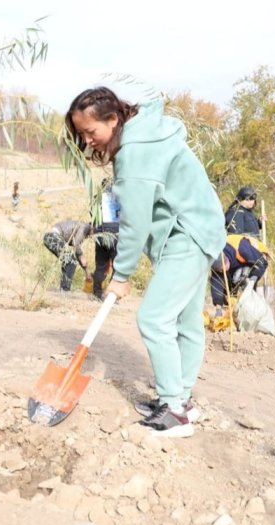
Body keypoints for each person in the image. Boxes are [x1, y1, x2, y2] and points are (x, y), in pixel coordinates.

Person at [66, 87, 225, 437]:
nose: (87, 140)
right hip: (198, 227)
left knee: (153, 318)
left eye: (91, 132)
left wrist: (120, 275)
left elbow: (135, 223)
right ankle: (180, 399)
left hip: (188, 233)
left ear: (113, 119)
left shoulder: (135, 153)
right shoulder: (145, 133)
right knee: (186, 321)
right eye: (81, 134)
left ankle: (174, 412)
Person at [209, 235, 269, 316]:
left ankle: (251, 309)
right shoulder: (216, 260)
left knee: (241, 276)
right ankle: (234, 310)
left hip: (253, 255)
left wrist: (253, 278)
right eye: (219, 270)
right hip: (235, 263)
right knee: (229, 287)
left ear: (226, 261)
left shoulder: (243, 250)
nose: (220, 271)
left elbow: (263, 263)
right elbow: (216, 284)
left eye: (221, 269)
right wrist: (218, 308)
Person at [43, 220, 93, 291]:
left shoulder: (83, 228)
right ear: (93, 227)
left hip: (51, 237)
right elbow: (76, 245)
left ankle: (64, 289)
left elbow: (76, 252)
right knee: (70, 260)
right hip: (52, 237)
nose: (92, 236)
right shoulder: (84, 227)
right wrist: (82, 256)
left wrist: (87, 271)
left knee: (69, 260)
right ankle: (65, 290)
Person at [92, 177, 120, 300]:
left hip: (100, 234)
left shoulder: (96, 198)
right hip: (115, 233)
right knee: (117, 266)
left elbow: (92, 215)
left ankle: (97, 294)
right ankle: (110, 295)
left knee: (101, 266)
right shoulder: (119, 197)